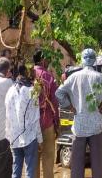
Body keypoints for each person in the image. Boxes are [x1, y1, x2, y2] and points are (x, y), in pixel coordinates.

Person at [56, 48, 102, 178]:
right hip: (96, 124)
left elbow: (59, 93)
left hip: (79, 125)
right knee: (97, 163)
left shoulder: (73, 77)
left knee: (77, 164)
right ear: (94, 61)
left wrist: (70, 106)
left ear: (83, 61)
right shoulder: (100, 77)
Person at [5, 64, 42, 178]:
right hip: (29, 137)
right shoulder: (32, 91)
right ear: (26, 72)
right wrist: (40, 138)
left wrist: (9, 136)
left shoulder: (10, 91)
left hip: (14, 137)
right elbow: (36, 117)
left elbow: (7, 116)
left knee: (16, 170)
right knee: (30, 171)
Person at [33, 49, 59, 178]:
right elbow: (55, 102)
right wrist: (57, 123)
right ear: (43, 60)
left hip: (31, 125)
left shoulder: (28, 74)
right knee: (48, 160)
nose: (48, 61)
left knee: (33, 162)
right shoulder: (48, 76)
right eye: (47, 59)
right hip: (46, 123)